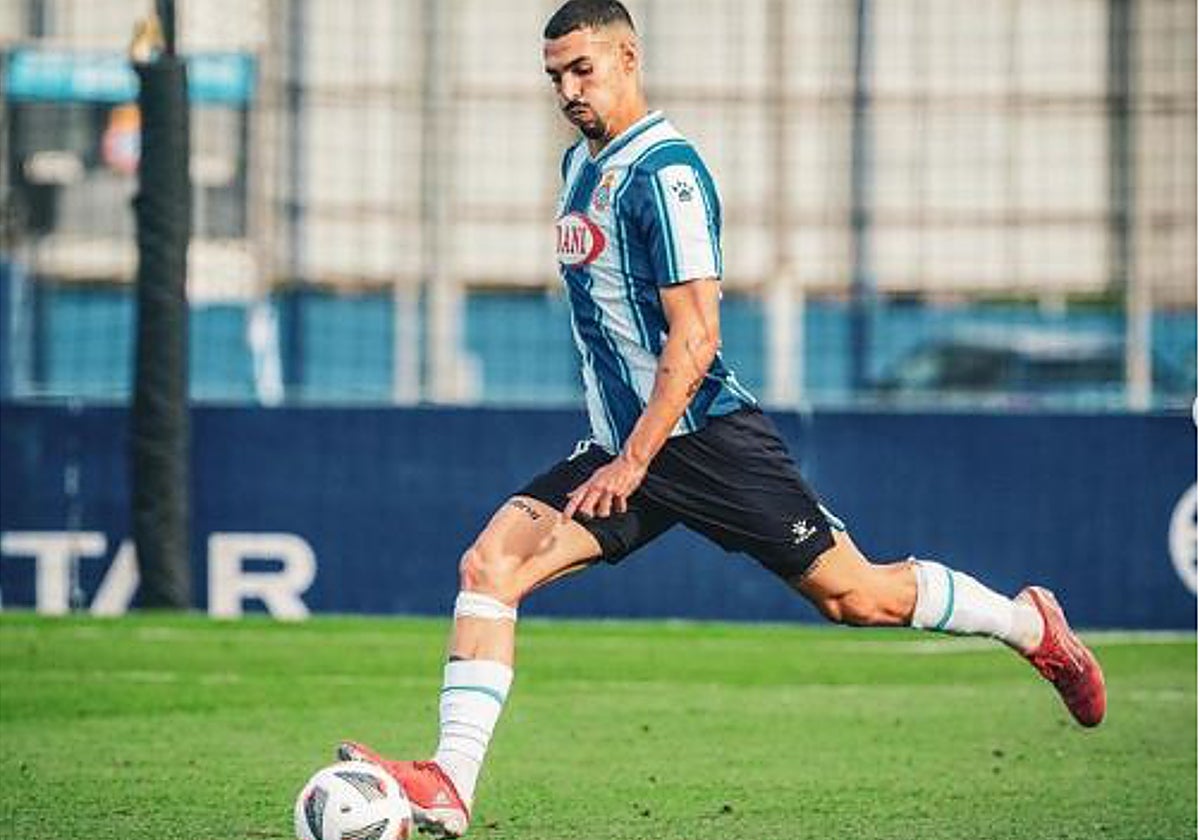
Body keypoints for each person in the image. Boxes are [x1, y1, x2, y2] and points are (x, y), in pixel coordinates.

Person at [339, 2, 1106, 835]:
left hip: (702, 442)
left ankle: (1031, 626)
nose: (567, 89)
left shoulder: (666, 173)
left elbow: (696, 335)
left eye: (582, 69)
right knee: (489, 568)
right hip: (619, 449)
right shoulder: (577, 167)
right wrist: (623, 453)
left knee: (856, 597)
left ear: (628, 57)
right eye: (555, 75)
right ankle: (450, 783)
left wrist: (635, 460)